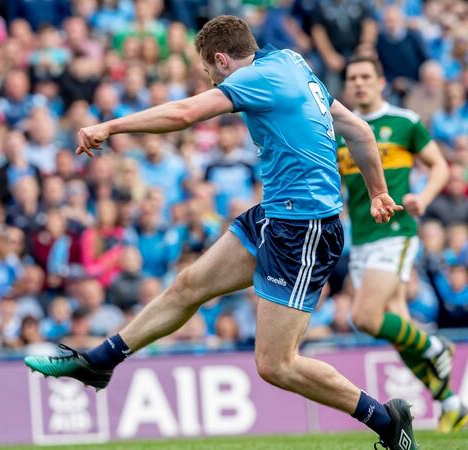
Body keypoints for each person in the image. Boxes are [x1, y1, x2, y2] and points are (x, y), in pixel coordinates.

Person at [24, 16, 416, 450]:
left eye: (208, 71)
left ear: (222, 60)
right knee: (188, 285)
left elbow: (185, 113)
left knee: (276, 364)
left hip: (304, 229)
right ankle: (98, 362)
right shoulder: (290, 62)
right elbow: (359, 131)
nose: (209, 79)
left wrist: (110, 126)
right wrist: (378, 191)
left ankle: (386, 421)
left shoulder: (256, 78)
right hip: (275, 214)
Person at [337, 54, 466, 433]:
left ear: (380, 81)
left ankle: (435, 347)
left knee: (364, 317)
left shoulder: (404, 122)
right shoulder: (340, 130)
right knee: (395, 330)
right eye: (352, 78)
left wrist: (423, 198)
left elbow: (441, 166)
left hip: (396, 232)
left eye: (365, 76)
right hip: (361, 238)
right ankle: (451, 401)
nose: (359, 83)